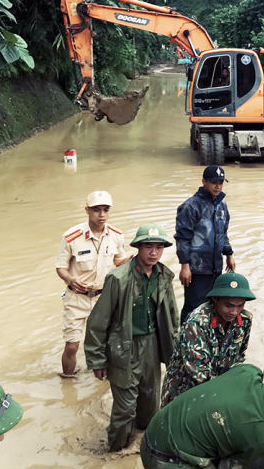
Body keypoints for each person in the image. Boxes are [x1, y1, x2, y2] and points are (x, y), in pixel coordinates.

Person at [84, 222, 180, 452]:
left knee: (150, 403)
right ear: (138, 247)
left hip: (152, 345)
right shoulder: (118, 279)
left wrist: (176, 351)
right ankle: (115, 450)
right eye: (148, 246)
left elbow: (172, 317)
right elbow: (98, 322)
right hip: (123, 346)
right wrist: (97, 360)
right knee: (125, 407)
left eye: (159, 247)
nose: (153, 252)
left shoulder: (164, 276)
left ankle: (142, 448)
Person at [55, 190, 131, 378]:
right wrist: (70, 279)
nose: (102, 215)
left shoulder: (116, 235)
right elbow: (60, 267)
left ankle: (103, 380)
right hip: (76, 298)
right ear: (87, 210)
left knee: (105, 343)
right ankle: (68, 382)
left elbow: (119, 262)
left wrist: (136, 257)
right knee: (72, 346)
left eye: (106, 210)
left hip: (103, 298)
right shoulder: (71, 237)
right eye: (97, 210)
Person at [162, 272, 255, 405]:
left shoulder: (244, 320)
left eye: (240, 306)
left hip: (218, 391)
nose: (234, 312)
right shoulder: (197, 322)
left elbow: (239, 357)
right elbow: (200, 373)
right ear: (215, 299)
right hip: (184, 392)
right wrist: (227, 395)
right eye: (228, 306)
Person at [175, 165, 235, 324]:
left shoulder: (222, 206)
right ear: (204, 182)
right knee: (193, 308)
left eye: (221, 182)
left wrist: (229, 254)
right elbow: (182, 238)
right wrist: (185, 266)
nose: (218, 186)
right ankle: (185, 342)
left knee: (215, 307)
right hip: (197, 270)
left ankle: (208, 342)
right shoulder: (190, 206)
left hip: (216, 268)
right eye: (214, 182)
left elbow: (223, 233)